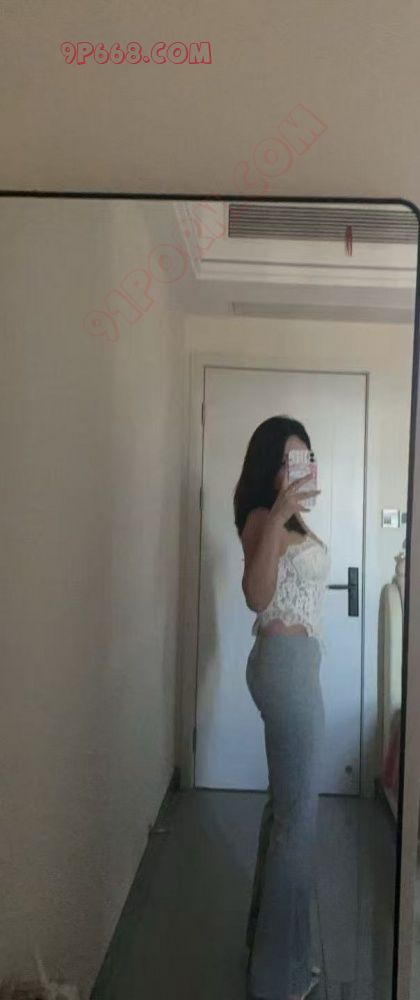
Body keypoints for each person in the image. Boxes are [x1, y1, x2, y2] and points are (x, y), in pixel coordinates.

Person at [233, 415, 330, 1000]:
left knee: (285, 814)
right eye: (292, 458)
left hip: (298, 665)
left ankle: (269, 955)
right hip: (285, 668)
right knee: (298, 820)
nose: (302, 468)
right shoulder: (260, 518)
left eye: (307, 457)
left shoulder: (293, 521)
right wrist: (276, 513)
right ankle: (278, 978)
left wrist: (290, 512)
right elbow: (256, 595)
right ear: (271, 467)